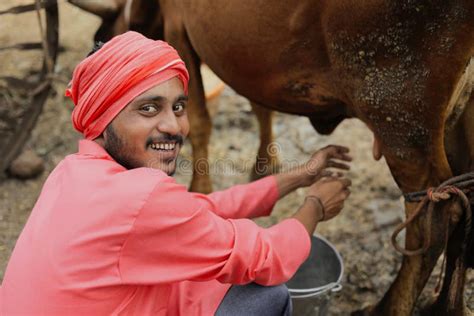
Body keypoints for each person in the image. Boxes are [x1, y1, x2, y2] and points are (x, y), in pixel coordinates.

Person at [0, 31, 352, 315]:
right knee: (264, 295)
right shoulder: (139, 197)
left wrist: (300, 175)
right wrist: (315, 206)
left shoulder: (72, 171)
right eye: (148, 108)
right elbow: (267, 256)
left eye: (179, 106)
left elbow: (197, 209)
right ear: (102, 119)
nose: (174, 126)